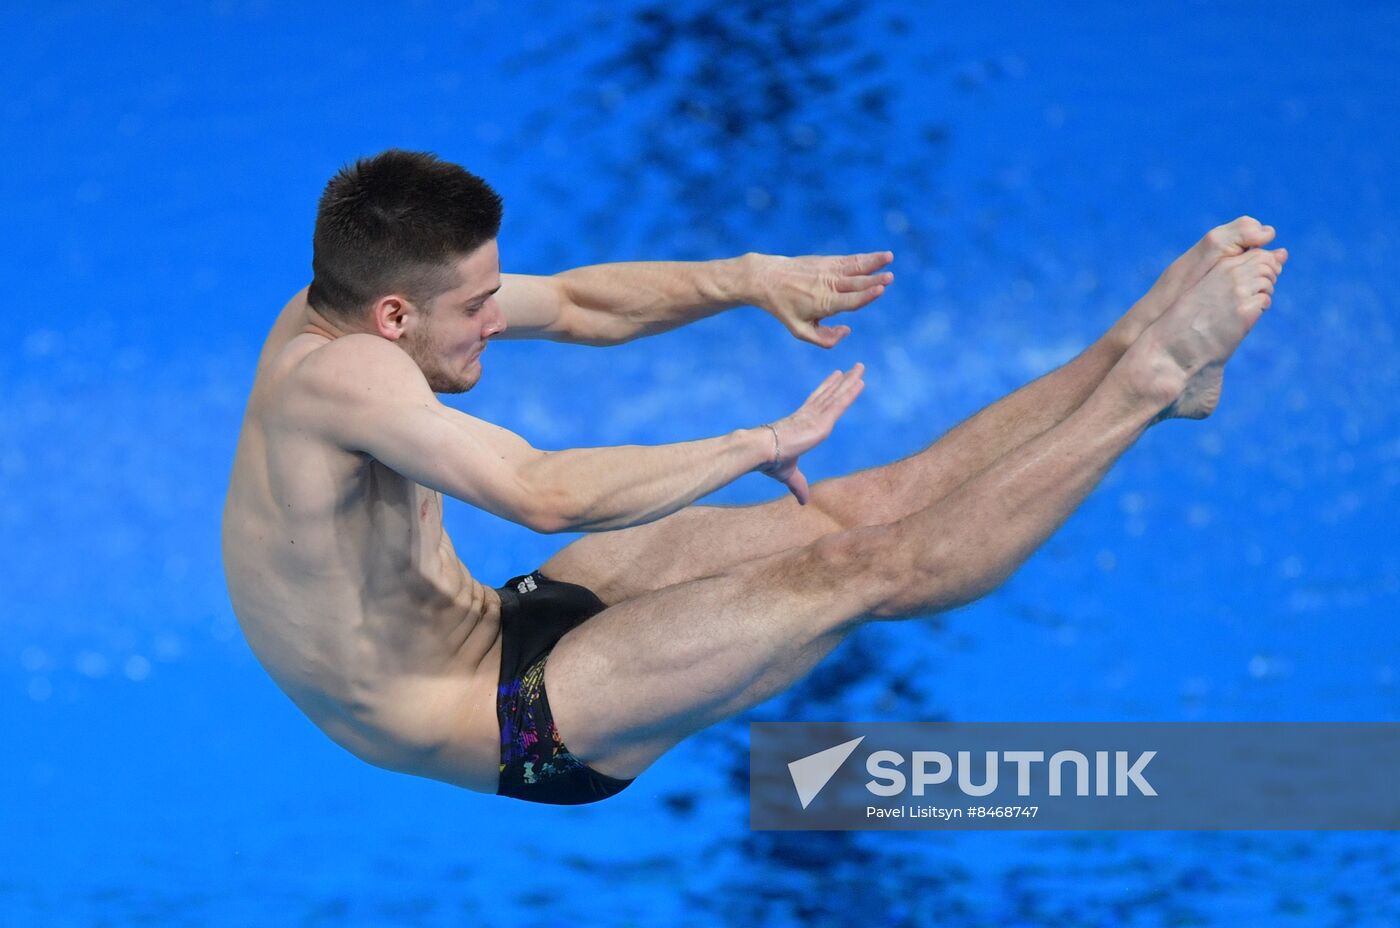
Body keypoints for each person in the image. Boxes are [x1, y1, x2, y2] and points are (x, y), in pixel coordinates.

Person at [221, 149, 1287, 805]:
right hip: (513, 719)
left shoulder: (353, 303)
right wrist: (753, 443)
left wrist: (743, 279)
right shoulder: (347, 378)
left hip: (503, 623)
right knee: (864, 569)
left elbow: (585, 306)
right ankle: (1147, 383)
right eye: (477, 307)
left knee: (858, 507)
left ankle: (1128, 353)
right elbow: (538, 490)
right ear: (395, 315)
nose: (499, 318)